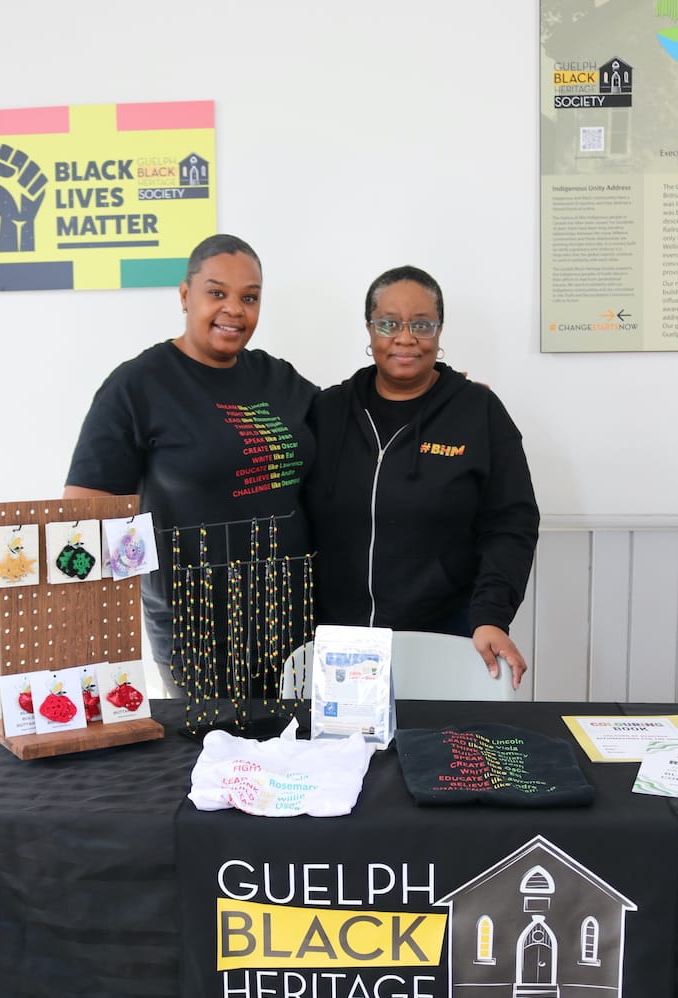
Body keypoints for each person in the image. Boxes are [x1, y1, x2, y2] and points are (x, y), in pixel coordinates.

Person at [64, 234, 318, 696]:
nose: (234, 309)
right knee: (210, 741)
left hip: (292, 619)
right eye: (217, 293)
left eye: (250, 298)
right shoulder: (139, 385)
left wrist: (434, 395)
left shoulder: (276, 377)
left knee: (298, 741)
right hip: (196, 631)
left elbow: (349, 430)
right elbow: (86, 507)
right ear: (185, 295)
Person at [304, 264, 539, 689]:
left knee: (439, 733)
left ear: (439, 330)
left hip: (446, 636)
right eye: (389, 323)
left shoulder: (478, 413)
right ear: (370, 329)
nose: (405, 337)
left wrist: (491, 615)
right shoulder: (328, 410)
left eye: (422, 324)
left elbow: (511, 524)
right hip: (341, 646)